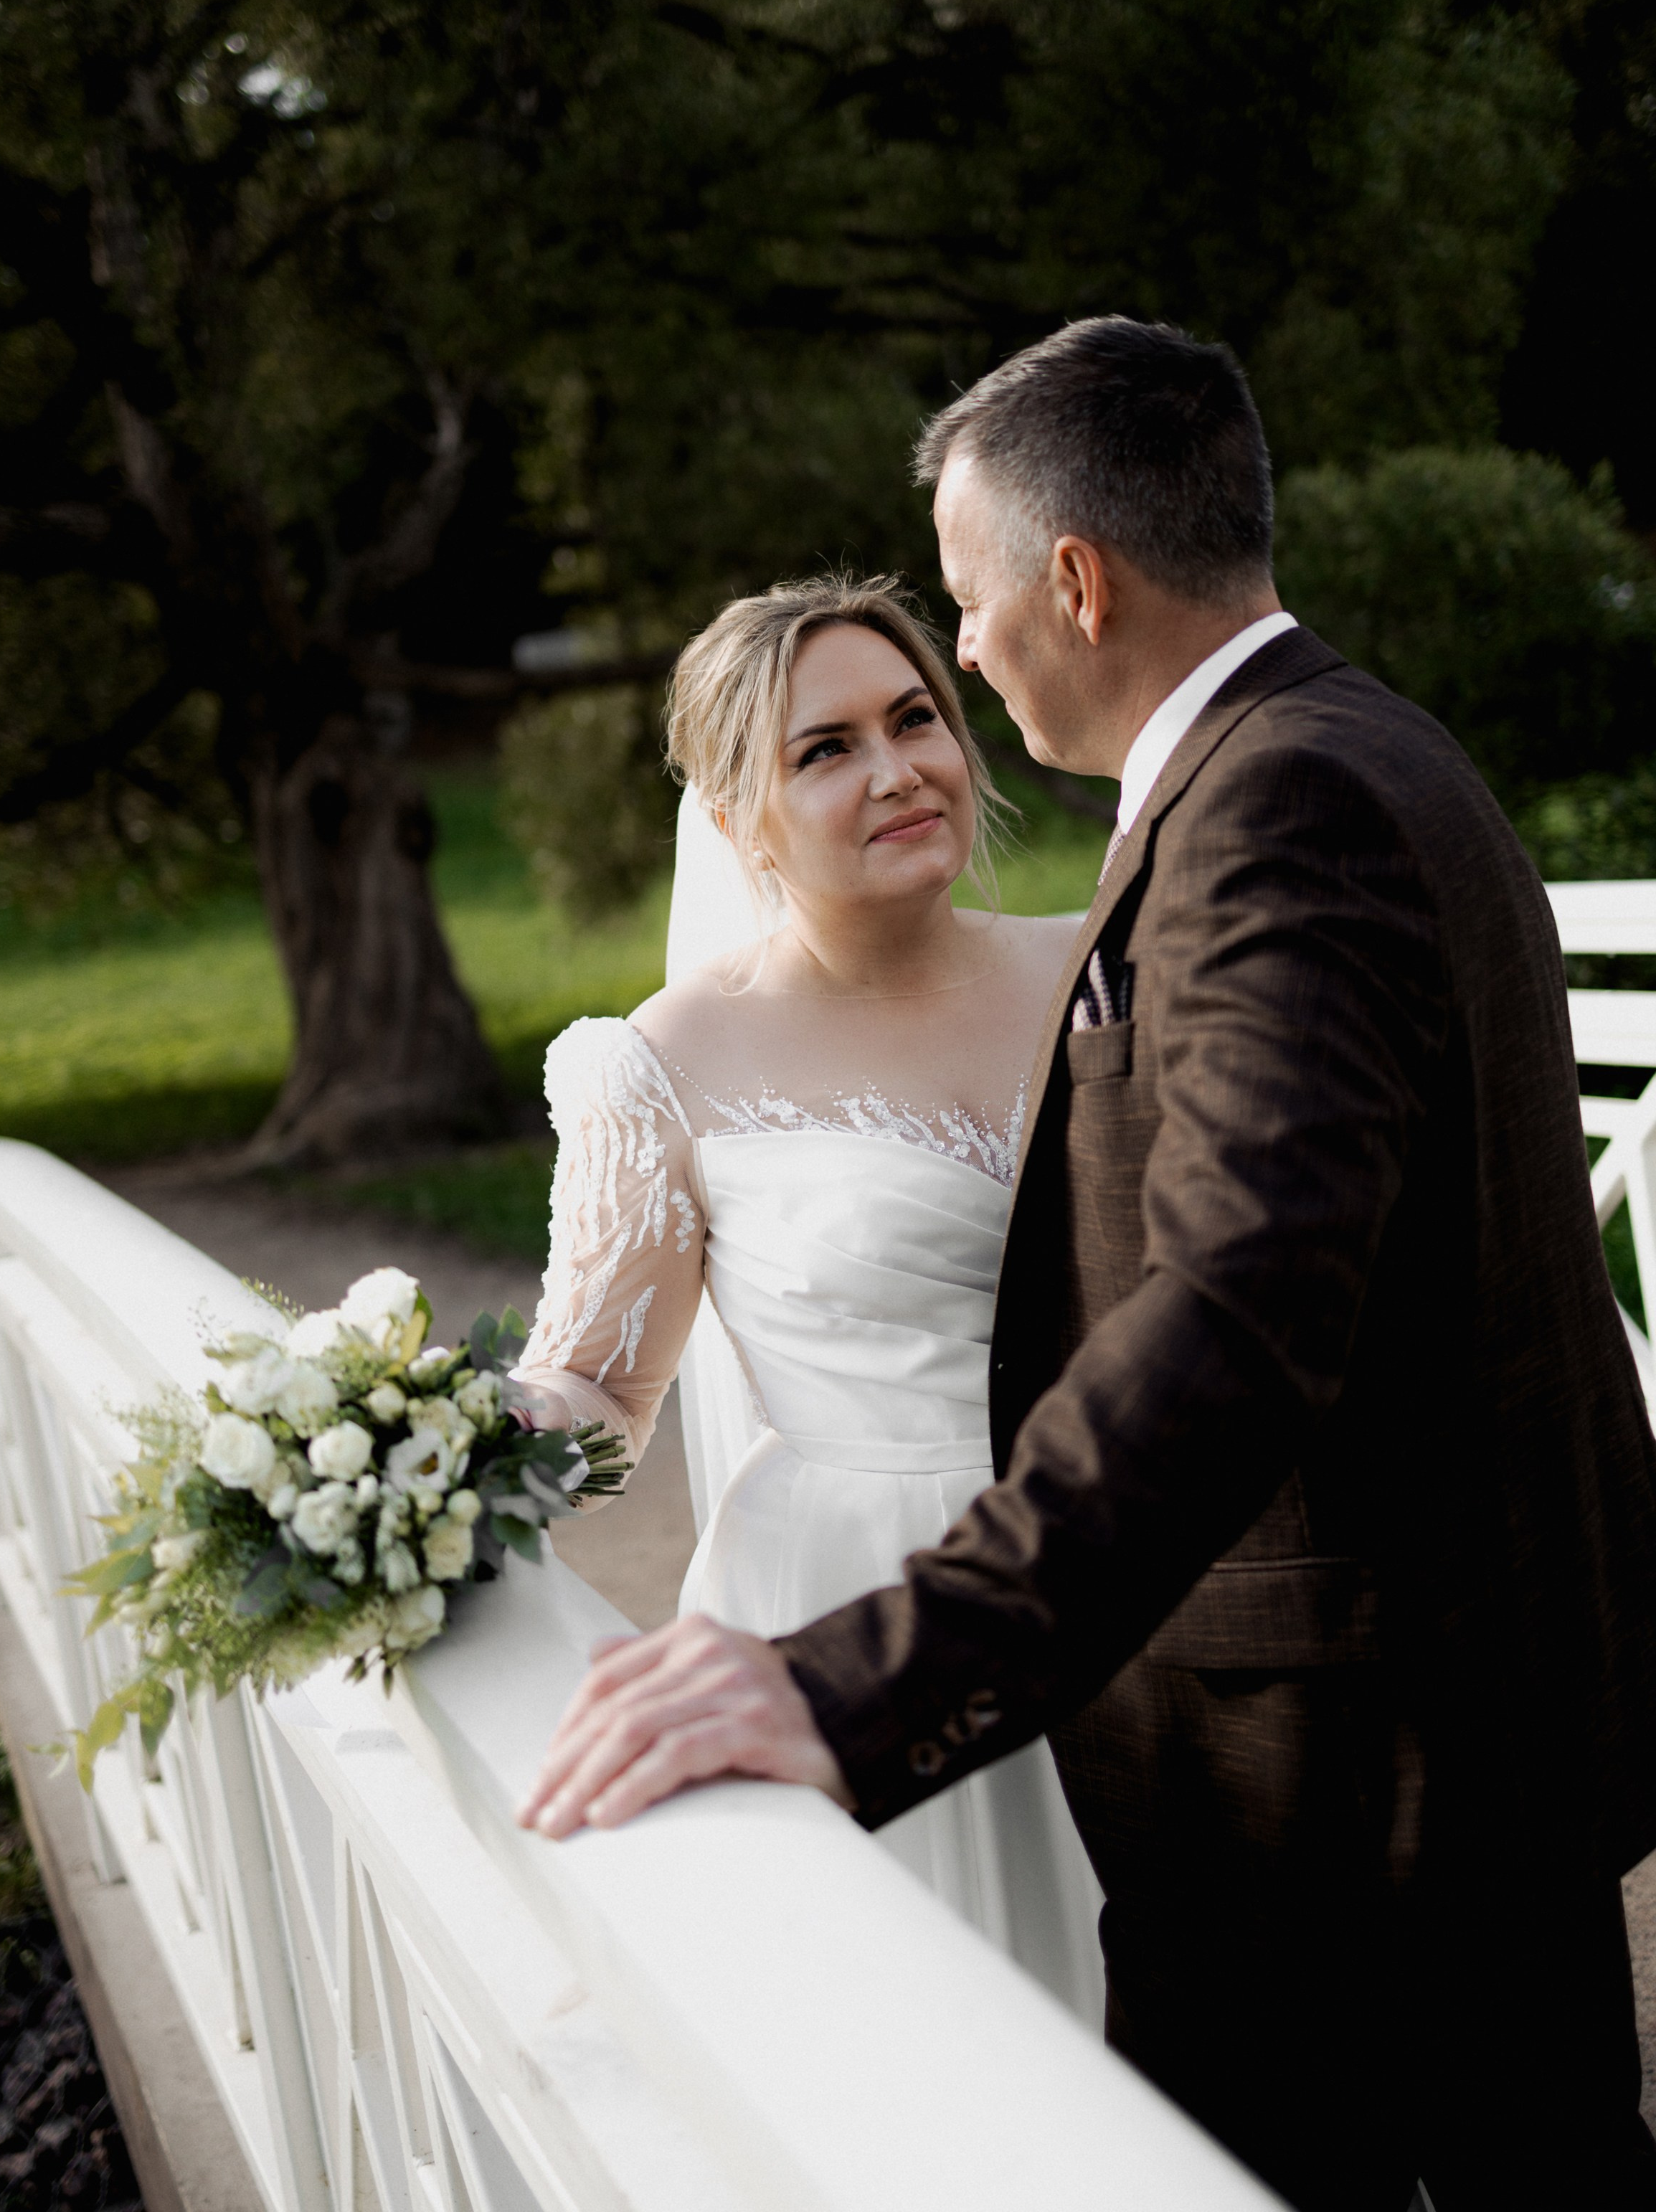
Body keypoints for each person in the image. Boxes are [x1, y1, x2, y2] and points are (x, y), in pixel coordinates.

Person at [518, 316, 1656, 2212]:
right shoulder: (1368, 748)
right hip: (1437, 1706)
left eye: (963, 611)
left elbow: (1235, 1311)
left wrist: (856, 1682)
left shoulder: (1273, 811)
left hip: (1348, 1755)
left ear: (1074, 577)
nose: (960, 663)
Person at [503, 572, 1106, 2021]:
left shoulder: (1104, 963)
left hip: (1112, 1551)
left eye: (916, 720)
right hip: (847, 1605)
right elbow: (598, 1392)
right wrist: (418, 1449)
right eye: (823, 749)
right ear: (737, 816)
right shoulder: (666, 1062)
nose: (897, 770)